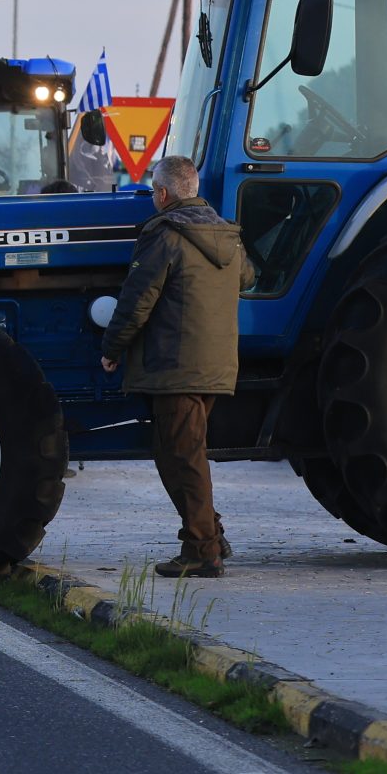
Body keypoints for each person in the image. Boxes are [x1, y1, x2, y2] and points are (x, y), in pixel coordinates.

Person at [99, 154, 243, 577]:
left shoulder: (164, 235)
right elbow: (247, 277)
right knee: (177, 453)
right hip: (216, 365)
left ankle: (202, 552)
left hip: (175, 365)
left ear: (162, 194)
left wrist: (113, 346)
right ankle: (209, 535)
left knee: (184, 458)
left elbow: (137, 299)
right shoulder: (227, 236)